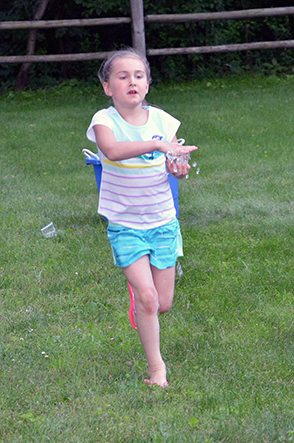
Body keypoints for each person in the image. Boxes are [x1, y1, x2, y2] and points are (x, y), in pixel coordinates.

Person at [86, 48, 197, 387]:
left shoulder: (165, 122)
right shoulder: (104, 120)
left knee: (162, 304)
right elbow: (113, 151)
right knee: (149, 300)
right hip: (125, 225)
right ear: (108, 87)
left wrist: (178, 167)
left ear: (148, 84)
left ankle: (142, 297)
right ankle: (157, 371)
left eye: (138, 75)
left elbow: (175, 166)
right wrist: (160, 146)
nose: (131, 81)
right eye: (122, 76)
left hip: (163, 222)